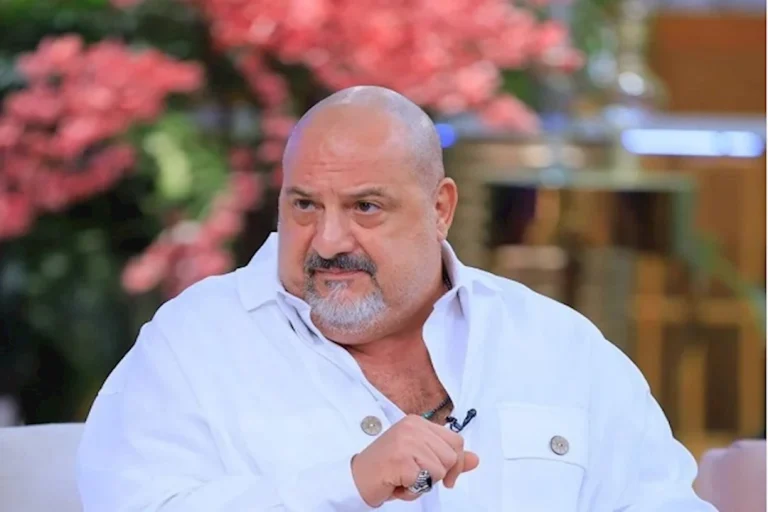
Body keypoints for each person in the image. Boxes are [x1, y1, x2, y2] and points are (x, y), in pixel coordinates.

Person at [76, 86, 716, 511]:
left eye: (365, 207)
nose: (328, 240)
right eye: (305, 205)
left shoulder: (557, 345)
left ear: (441, 209)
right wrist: (346, 484)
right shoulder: (193, 344)